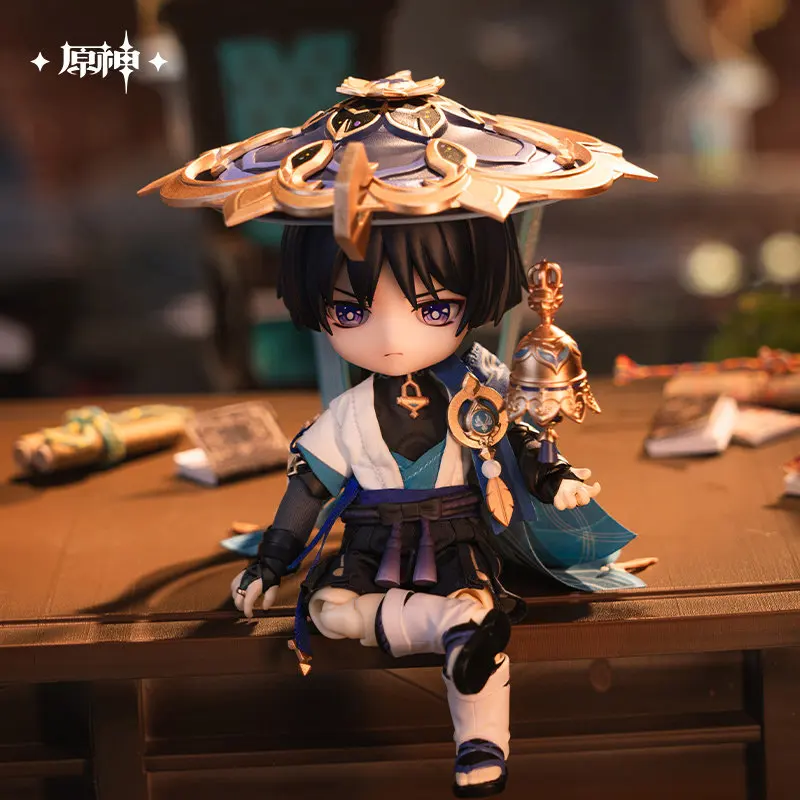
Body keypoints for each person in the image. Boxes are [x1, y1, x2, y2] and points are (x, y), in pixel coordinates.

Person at [230, 216, 602, 797]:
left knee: (474, 601)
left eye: (432, 308)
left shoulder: (475, 388)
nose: (390, 337)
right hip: (373, 539)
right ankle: (453, 632)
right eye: (350, 311)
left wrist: (552, 475)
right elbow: (308, 490)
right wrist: (270, 561)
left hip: (453, 532)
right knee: (331, 613)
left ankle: (481, 743)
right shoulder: (348, 413)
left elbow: (518, 437)